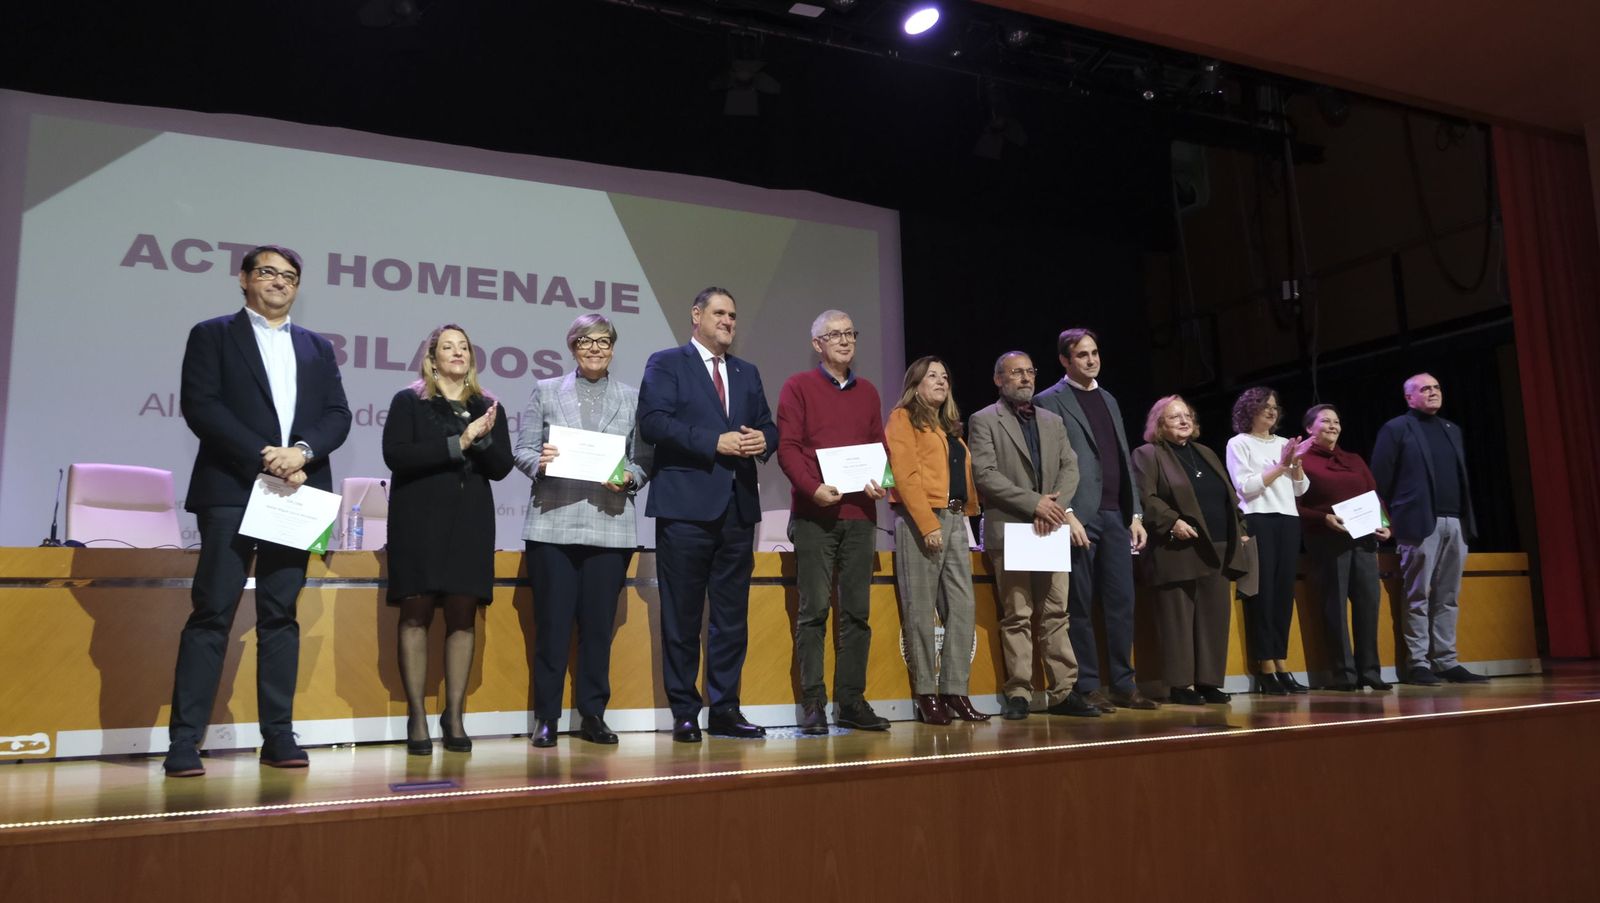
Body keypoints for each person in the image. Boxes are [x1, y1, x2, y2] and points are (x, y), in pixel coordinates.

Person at [164, 246, 351, 777]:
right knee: (212, 613)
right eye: (267, 272)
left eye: (289, 276)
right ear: (243, 279)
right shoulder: (213, 334)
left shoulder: (317, 347)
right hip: (232, 490)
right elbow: (202, 406)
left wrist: (303, 454)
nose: (278, 282)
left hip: (298, 494)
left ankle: (278, 736)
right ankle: (184, 740)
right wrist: (266, 456)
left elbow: (338, 415)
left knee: (281, 616)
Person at [637, 287, 779, 742]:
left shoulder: (746, 371)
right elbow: (654, 422)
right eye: (720, 313)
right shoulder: (666, 362)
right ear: (696, 315)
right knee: (681, 615)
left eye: (733, 316)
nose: (728, 322)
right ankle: (684, 710)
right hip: (685, 508)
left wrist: (763, 442)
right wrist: (712, 441)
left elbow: (769, 425)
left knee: (731, 617)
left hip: (736, 508)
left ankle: (726, 709)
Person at [514, 314, 648, 748]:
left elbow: (643, 460)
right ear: (572, 347)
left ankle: (593, 714)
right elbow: (523, 450)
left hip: (609, 527)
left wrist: (628, 478)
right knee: (552, 627)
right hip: (553, 523)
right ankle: (547, 719)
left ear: (613, 347)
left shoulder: (631, 397)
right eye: (585, 341)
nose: (595, 348)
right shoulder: (547, 390)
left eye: (603, 341)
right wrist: (542, 462)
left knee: (597, 628)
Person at [382, 324, 515, 755]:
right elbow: (397, 456)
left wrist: (483, 437)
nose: (457, 353)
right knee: (416, 613)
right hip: (418, 522)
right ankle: (417, 716)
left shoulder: (487, 404)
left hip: (470, 522)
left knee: (462, 614)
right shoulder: (410, 400)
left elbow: (499, 468)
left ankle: (453, 714)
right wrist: (460, 441)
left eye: (463, 347)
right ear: (432, 357)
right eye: (447, 347)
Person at [775, 310, 891, 734]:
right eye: (834, 335)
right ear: (817, 344)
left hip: (860, 515)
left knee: (857, 613)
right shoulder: (798, 387)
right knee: (814, 611)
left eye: (850, 333)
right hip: (814, 516)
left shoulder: (869, 392)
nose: (844, 340)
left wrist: (883, 482)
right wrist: (813, 489)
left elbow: (879, 447)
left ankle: (851, 701)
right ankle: (812, 702)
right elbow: (787, 449)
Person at [969, 352, 1098, 719]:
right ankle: (1020, 692)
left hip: (1050, 527)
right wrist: (1035, 504)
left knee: (1057, 612)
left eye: (1029, 372)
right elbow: (986, 475)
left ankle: (1063, 691)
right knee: (1017, 614)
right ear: (999, 379)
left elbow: (1070, 468)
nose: (1025, 378)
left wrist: (1053, 507)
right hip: (1011, 528)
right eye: (1016, 373)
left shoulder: (1053, 420)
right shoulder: (983, 420)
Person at [1034, 328, 1157, 712]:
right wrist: (1066, 513)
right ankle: (1086, 684)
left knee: (1122, 601)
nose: (1091, 360)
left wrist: (1134, 513)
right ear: (1065, 361)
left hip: (1115, 515)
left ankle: (1123, 682)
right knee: (1080, 604)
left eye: (1094, 353)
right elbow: (1048, 462)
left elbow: (1122, 456)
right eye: (1082, 355)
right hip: (1078, 516)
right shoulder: (1049, 401)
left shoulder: (1109, 399)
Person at [884, 357, 989, 725]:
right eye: (932, 376)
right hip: (921, 519)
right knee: (920, 609)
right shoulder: (903, 418)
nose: (941, 381)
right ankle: (927, 694)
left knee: (962, 607)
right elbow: (905, 473)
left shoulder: (949, 427)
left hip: (956, 518)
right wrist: (928, 523)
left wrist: (966, 519)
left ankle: (955, 691)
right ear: (916, 383)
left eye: (945, 376)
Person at [1130, 396, 1250, 706]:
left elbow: (1228, 496)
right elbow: (1148, 498)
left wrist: (1241, 528)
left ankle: (1208, 682)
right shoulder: (1148, 455)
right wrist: (1172, 522)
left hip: (1218, 546)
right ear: (1159, 425)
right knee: (1177, 619)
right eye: (1174, 417)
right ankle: (1180, 684)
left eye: (1187, 416)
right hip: (1177, 547)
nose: (1184, 421)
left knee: (1214, 617)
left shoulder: (1205, 452)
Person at [1371, 373, 1487, 685]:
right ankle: (1418, 663)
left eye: (1437, 387)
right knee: (1418, 595)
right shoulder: (1396, 428)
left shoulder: (1452, 429)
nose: (1433, 392)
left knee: (1448, 596)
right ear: (1409, 398)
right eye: (1425, 388)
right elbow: (1378, 480)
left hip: (1455, 522)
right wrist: (1383, 523)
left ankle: (1447, 661)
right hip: (1418, 524)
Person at [1295, 404, 1393, 691]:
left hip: (1363, 540)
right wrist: (1322, 518)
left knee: (1368, 605)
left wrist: (1386, 524)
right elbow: (1293, 504)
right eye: (1325, 421)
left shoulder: (1353, 459)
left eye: (1336, 421)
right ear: (1309, 428)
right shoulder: (1301, 461)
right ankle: (1343, 675)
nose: (1333, 426)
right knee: (1334, 607)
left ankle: (1370, 672)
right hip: (1327, 540)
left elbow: (1373, 495)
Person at [1225, 387, 1314, 695]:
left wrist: (1296, 463)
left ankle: (1280, 661)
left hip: (1288, 520)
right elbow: (1245, 488)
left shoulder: (1283, 443)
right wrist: (1281, 465)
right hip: (1259, 519)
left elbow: (1301, 490)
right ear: (1249, 410)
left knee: (1282, 592)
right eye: (1265, 406)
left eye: (1275, 407)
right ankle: (1264, 664)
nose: (1272, 411)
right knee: (1262, 594)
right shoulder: (1239, 443)